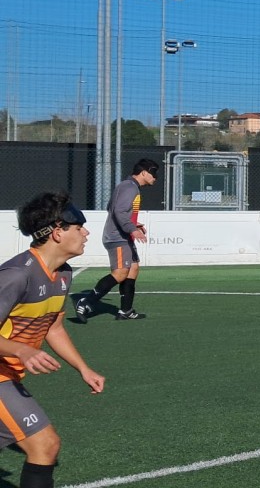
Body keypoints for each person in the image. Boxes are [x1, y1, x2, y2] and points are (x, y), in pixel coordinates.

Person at [0, 191, 106, 488]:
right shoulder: (15, 276)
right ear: (58, 233)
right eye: (78, 227)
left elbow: (54, 328)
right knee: (44, 445)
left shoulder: (63, 274)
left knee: (43, 446)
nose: (86, 233)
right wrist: (21, 350)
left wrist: (83, 369)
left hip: (9, 377)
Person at [76, 158, 159, 322]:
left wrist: (134, 225)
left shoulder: (128, 186)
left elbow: (112, 208)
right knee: (120, 274)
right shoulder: (130, 187)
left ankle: (126, 311)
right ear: (143, 172)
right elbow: (119, 212)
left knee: (133, 269)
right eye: (153, 173)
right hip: (118, 237)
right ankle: (86, 302)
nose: (155, 178)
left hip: (123, 235)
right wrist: (132, 229)